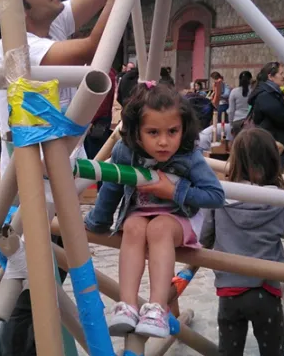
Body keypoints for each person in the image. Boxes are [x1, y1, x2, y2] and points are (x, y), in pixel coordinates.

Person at [0, 0, 136, 356]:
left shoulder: (50, 26)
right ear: (18, 2)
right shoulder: (20, 44)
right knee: (34, 289)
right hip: (30, 186)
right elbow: (97, 46)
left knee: (46, 281)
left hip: (58, 178)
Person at [85, 83, 225, 338]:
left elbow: (215, 195)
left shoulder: (189, 155)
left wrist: (173, 191)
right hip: (141, 216)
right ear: (137, 133)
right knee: (133, 225)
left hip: (180, 219)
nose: (164, 141)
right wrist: (97, 222)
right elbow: (111, 188)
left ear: (183, 129)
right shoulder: (125, 152)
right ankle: (127, 305)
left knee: (159, 226)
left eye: (173, 131)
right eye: (153, 132)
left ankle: (159, 308)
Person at [201, 128, 284, 356]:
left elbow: (205, 238)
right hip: (266, 292)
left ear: (234, 162)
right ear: (272, 161)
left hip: (231, 293)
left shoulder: (220, 196)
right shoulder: (281, 199)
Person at [247, 62, 284, 169]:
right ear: (271, 77)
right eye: (281, 73)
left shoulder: (274, 92)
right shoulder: (266, 94)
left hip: (275, 143)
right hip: (272, 144)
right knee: (271, 176)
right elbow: (280, 117)